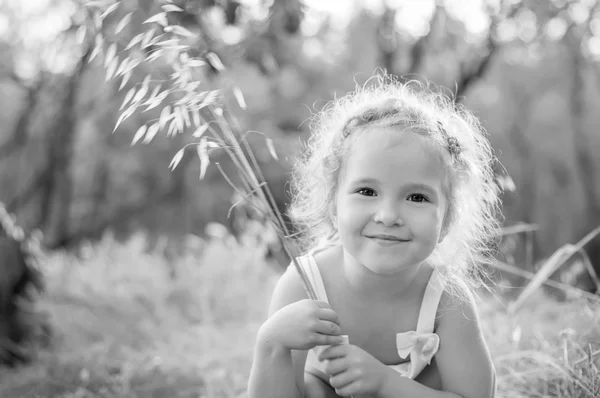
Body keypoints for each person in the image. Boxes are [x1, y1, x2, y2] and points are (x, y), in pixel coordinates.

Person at [247, 74, 500, 398]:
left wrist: (386, 384)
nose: (389, 216)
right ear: (333, 206)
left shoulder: (446, 301)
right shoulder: (303, 284)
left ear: (447, 218)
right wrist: (271, 344)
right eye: (367, 191)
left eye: (417, 198)